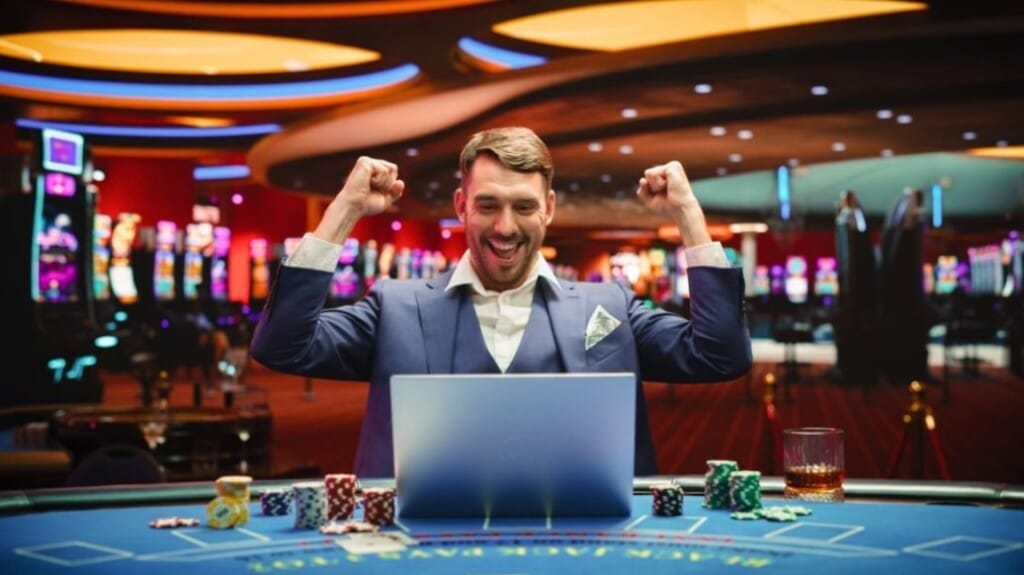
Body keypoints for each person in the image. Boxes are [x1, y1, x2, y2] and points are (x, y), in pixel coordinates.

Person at [250, 126, 752, 478]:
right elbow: (283, 348)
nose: (505, 227)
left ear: (549, 209)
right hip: (419, 549)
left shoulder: (611, 305)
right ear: (461, 206)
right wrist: (344, 210)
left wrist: (688, 215)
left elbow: (719, 355)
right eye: (488, 205)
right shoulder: (394, 306)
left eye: (525, 206)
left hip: (585, 545)